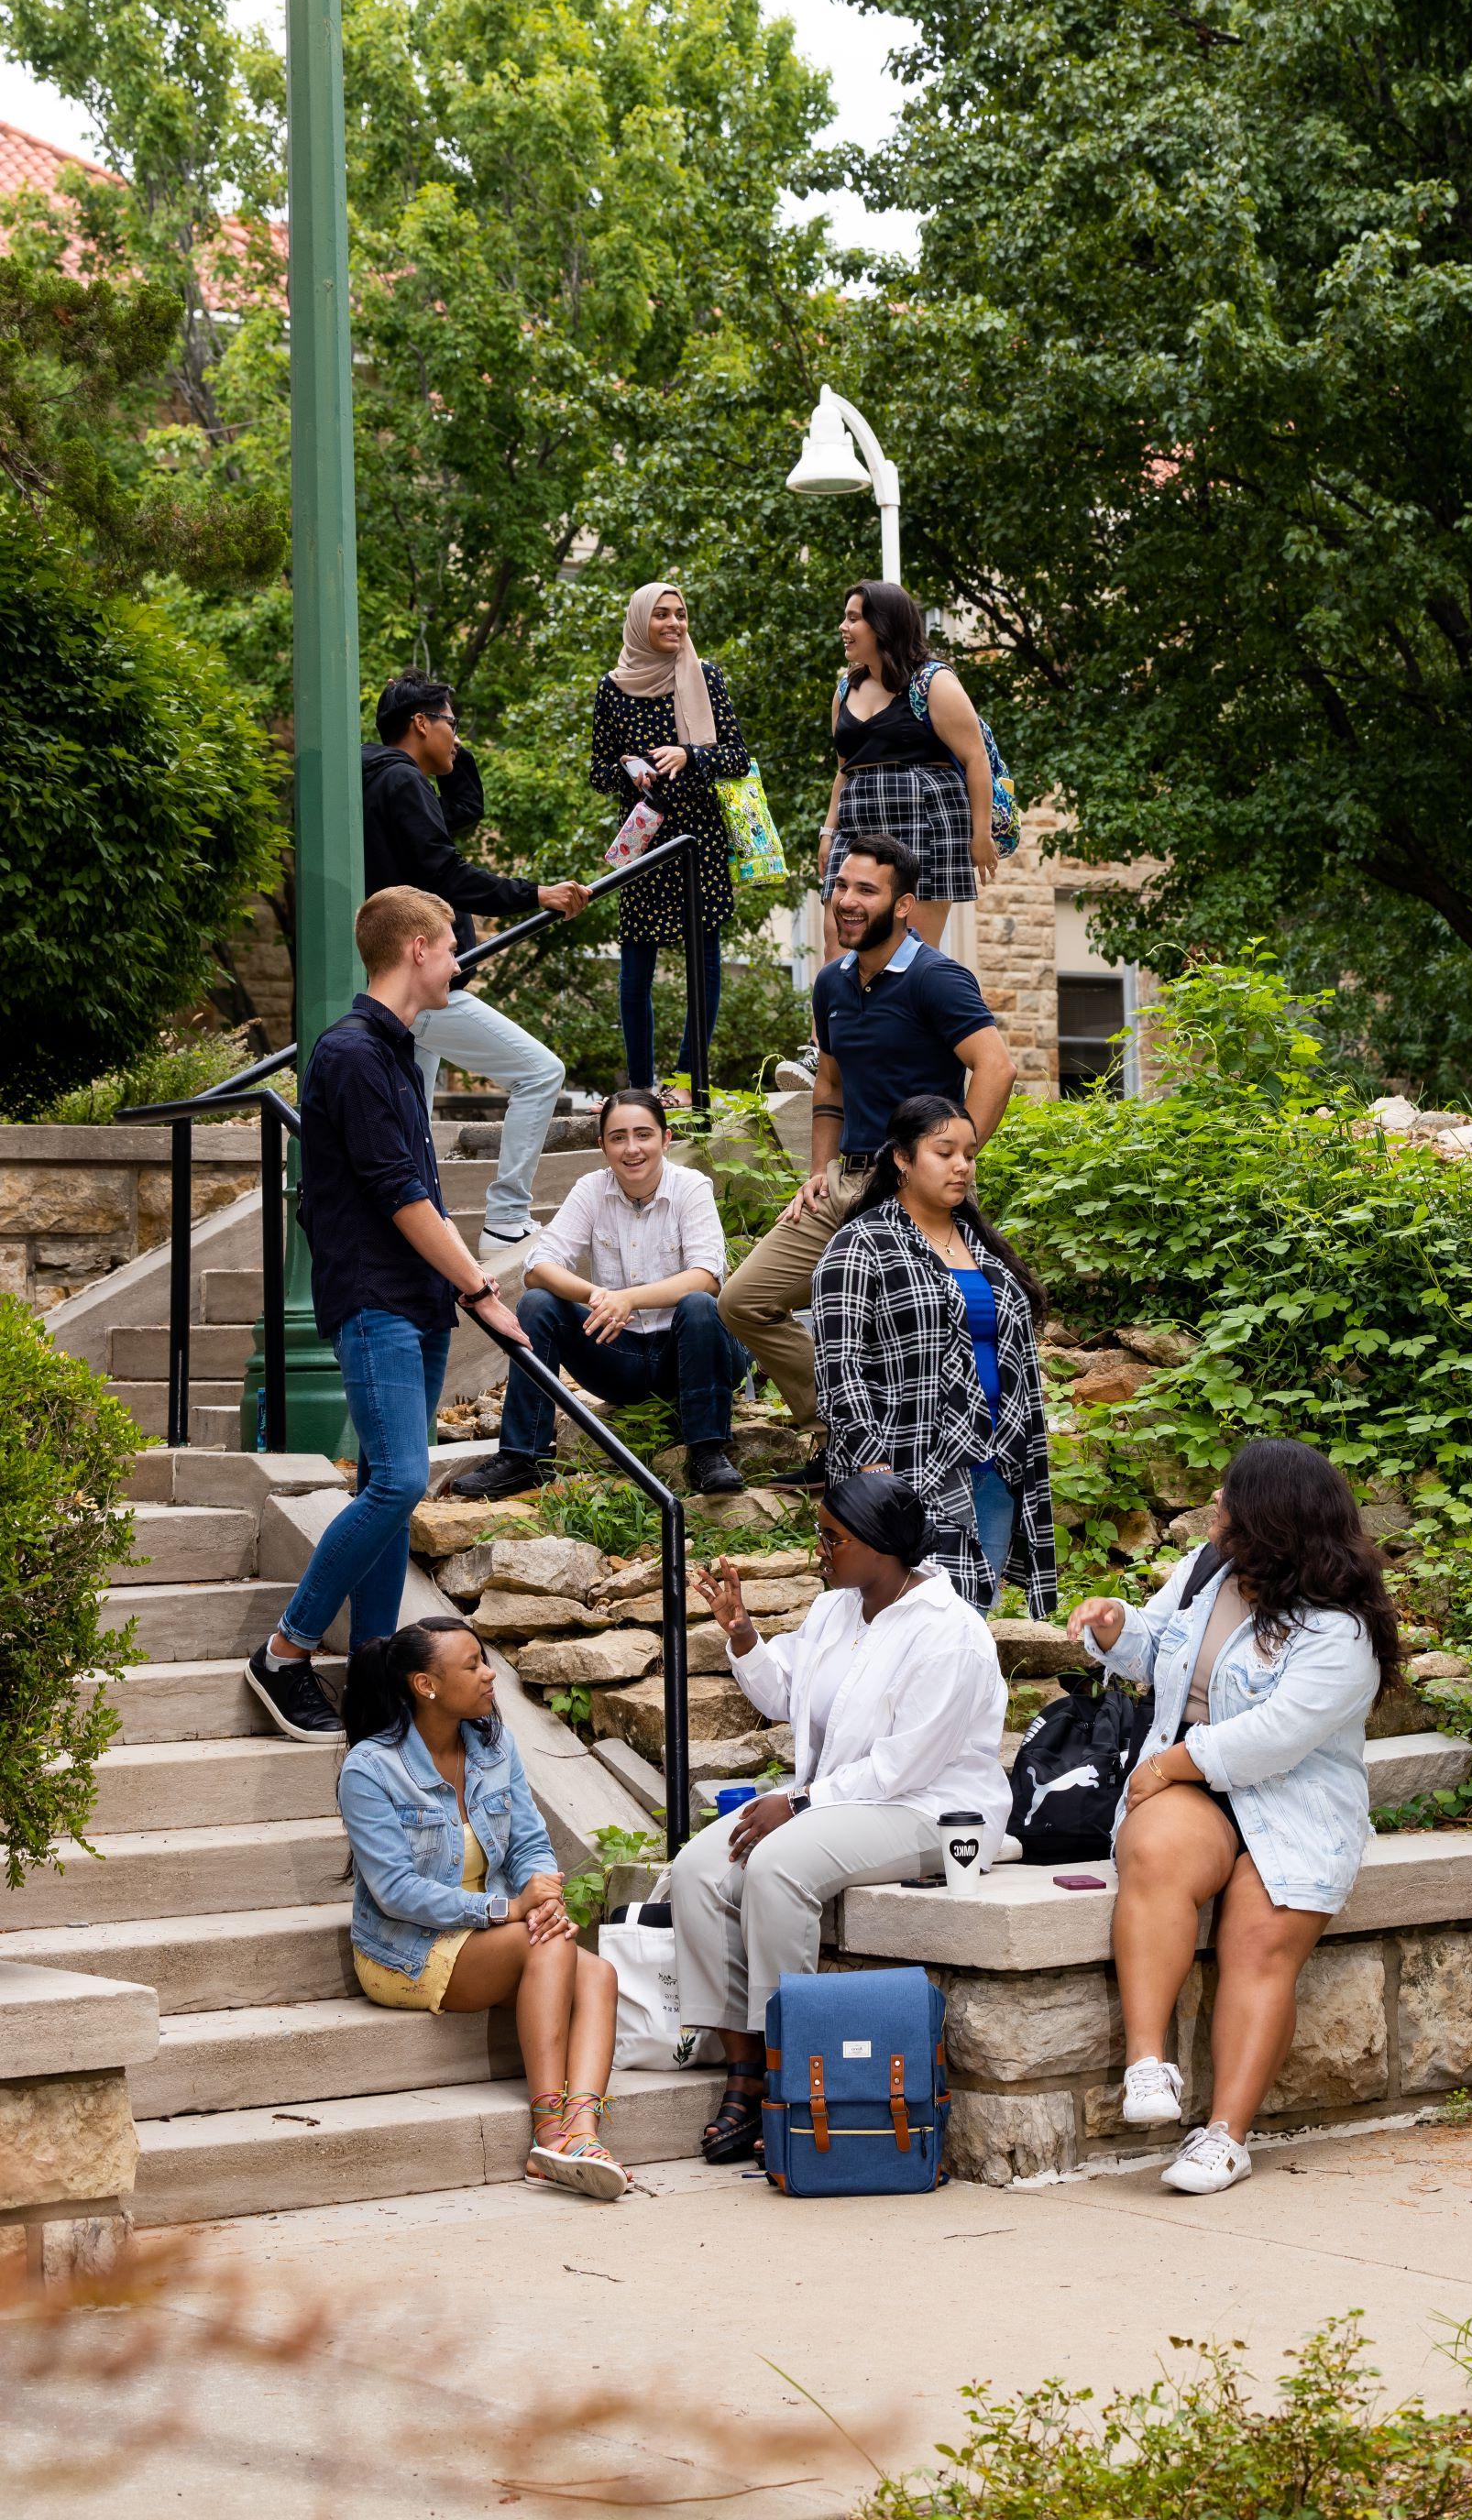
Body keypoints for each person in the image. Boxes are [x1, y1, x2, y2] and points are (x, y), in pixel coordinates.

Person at [1069, 1439, 1399, 2197]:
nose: (1214, 1508)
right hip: (1195, 1786)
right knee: (1152, 1849)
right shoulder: (1206, 1571)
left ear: (1273, 1521)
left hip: (1296, 1801)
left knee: (1258, 1941)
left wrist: (1164, 1766)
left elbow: (1273, 1740)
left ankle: (1225, 2137)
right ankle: (1147, 2066)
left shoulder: (1341, 1630)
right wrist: (1118, 1628)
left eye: (1228, 1499)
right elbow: (1159, 1650)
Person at [244, 887, 527, 1744]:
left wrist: (456, 1292)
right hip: (375, 1301)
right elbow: (402, 1198)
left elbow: (418, 1192)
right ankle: (285, 1653)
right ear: (414, 948)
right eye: (450, 946)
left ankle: (371, 1672)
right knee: (400, 1478)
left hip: (417, 1302)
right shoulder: (353, 1053)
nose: (459, 961)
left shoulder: (398, 1051)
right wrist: (481, 1289)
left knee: (385, 1488)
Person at [675, 1473, 1009, 2164]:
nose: (819, 1548)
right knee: (698, 1870)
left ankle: (788, 2083)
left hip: (927, 1813)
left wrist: (796, 1804)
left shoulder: (951, 1635)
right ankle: (743, 2071)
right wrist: (742, 1637)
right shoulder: (835, 1610)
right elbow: (782, 1698)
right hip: (834, 1801)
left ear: (882, 1549)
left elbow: (902, 1768)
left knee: (777, 1868)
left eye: (833, 1538)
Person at [717, 834, 1016, 1480]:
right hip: (844, 1181)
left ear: (904, 904)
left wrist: (952, 1161)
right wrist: (817, 1174)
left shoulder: (937, 979)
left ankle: (901, 1457)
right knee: (742, 1301)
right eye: (841, 887)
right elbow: (829, 1084)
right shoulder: (831, 983)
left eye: (865, 891)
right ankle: (838, 1432)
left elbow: (995, 1067)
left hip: (906, 1190)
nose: (846, 902)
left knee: (891, 1330)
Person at [339, 1616, 628, 2197]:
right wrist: (508, 1910)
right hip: (408, 1949)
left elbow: (528, 1841)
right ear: (426, 1685)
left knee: (597, 1973)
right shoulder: (369, 1770)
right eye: (472, 1665)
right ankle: (548, 2131)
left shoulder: (494, 1746)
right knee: (543, 1942)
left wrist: (542, 1893)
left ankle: (582, 2129)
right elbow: (395, 1891)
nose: (489, 1674)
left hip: (497, 1932)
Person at [362, 670, 589, 1247]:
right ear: (420, 724)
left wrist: (454, 754)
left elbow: (460, 810)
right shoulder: (401, 782)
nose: (457, 737)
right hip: (419, 980)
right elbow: (446, 872)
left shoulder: (378, 781)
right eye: (451, 724)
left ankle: (416, 1228)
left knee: (413, 1114)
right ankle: (506, 1218)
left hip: (395, 978)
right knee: (540, 1073)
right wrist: (535, 894)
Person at [813, 1094, 1056, 1615]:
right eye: (944, 1152)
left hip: (993, 1465)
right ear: (901, 1158)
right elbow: (838, 1370)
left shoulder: (981, 1244)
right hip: (903, 1468)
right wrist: (873, 1466)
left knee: (967, 1622)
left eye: (969, 1154)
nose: (962, 1165)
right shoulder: (860, 1245)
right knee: (899, 1627)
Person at [450, 1088, 750, 1500]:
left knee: (699, 1305)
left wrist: (630, 1299)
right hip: (620, 1356)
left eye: (643, 1135)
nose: (632, 1149)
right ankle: (523, 1458)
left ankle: (708, 1452)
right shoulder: (592, 1189)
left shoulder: (691, 1186)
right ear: (602, 1146)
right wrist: (600, 1295)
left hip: (694, 1357)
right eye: (618, 1137)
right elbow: (538, 1267)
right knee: (538, 1304)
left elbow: (707, 1276)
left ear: (665, 1139)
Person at [775, 583, 999, 1094]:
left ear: (883, 626)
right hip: (859, 816)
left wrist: (980, 833)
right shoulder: (844, 689)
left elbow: (974, 758)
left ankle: (906, 1056)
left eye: (853, 617)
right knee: (839, 936)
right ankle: (822, 1055)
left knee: (909, 950)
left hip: (923, 817)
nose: (843, 627)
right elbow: (843, 767)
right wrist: (829, 830)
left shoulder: (933, 682)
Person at [589, 583, 751, 1098]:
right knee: (635, 973)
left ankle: (684, 1082)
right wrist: (628, 767)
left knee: (703, 965)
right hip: (646, 839)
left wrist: (690, 756)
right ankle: (639, 1087)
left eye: (680, 615)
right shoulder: (612, 688)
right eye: (661, 615)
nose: (674, 624)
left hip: (698, 838)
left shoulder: (705, 677)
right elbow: (598, 770)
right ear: (641, 621)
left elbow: (736, 758)